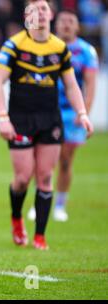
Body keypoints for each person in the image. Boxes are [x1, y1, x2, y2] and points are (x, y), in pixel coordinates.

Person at [0, 0, 94, 250]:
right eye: (35, 10)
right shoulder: (14, 45)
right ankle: (17, 220)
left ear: (51, 15)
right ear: (27, 17)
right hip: (20, 120)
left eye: (45, 9)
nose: (41, 14)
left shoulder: (59, 48)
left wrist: (82, 113)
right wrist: (3, 117)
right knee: (23, 178)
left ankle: (40, 237)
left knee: (46, 177)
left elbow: (71, 85)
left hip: (50, 119)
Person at [27, 9, 99, 222]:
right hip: (46, 110)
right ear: (55, 25)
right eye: (63, 21)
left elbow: (90, 84)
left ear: (77, 27)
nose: (66, 25)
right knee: (42, 159)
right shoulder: (46, 47)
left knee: (65, 160)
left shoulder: (86, 51)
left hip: (70, 113)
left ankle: (60, 204)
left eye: (71, 21)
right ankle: (38, 202)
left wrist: (83, 111)